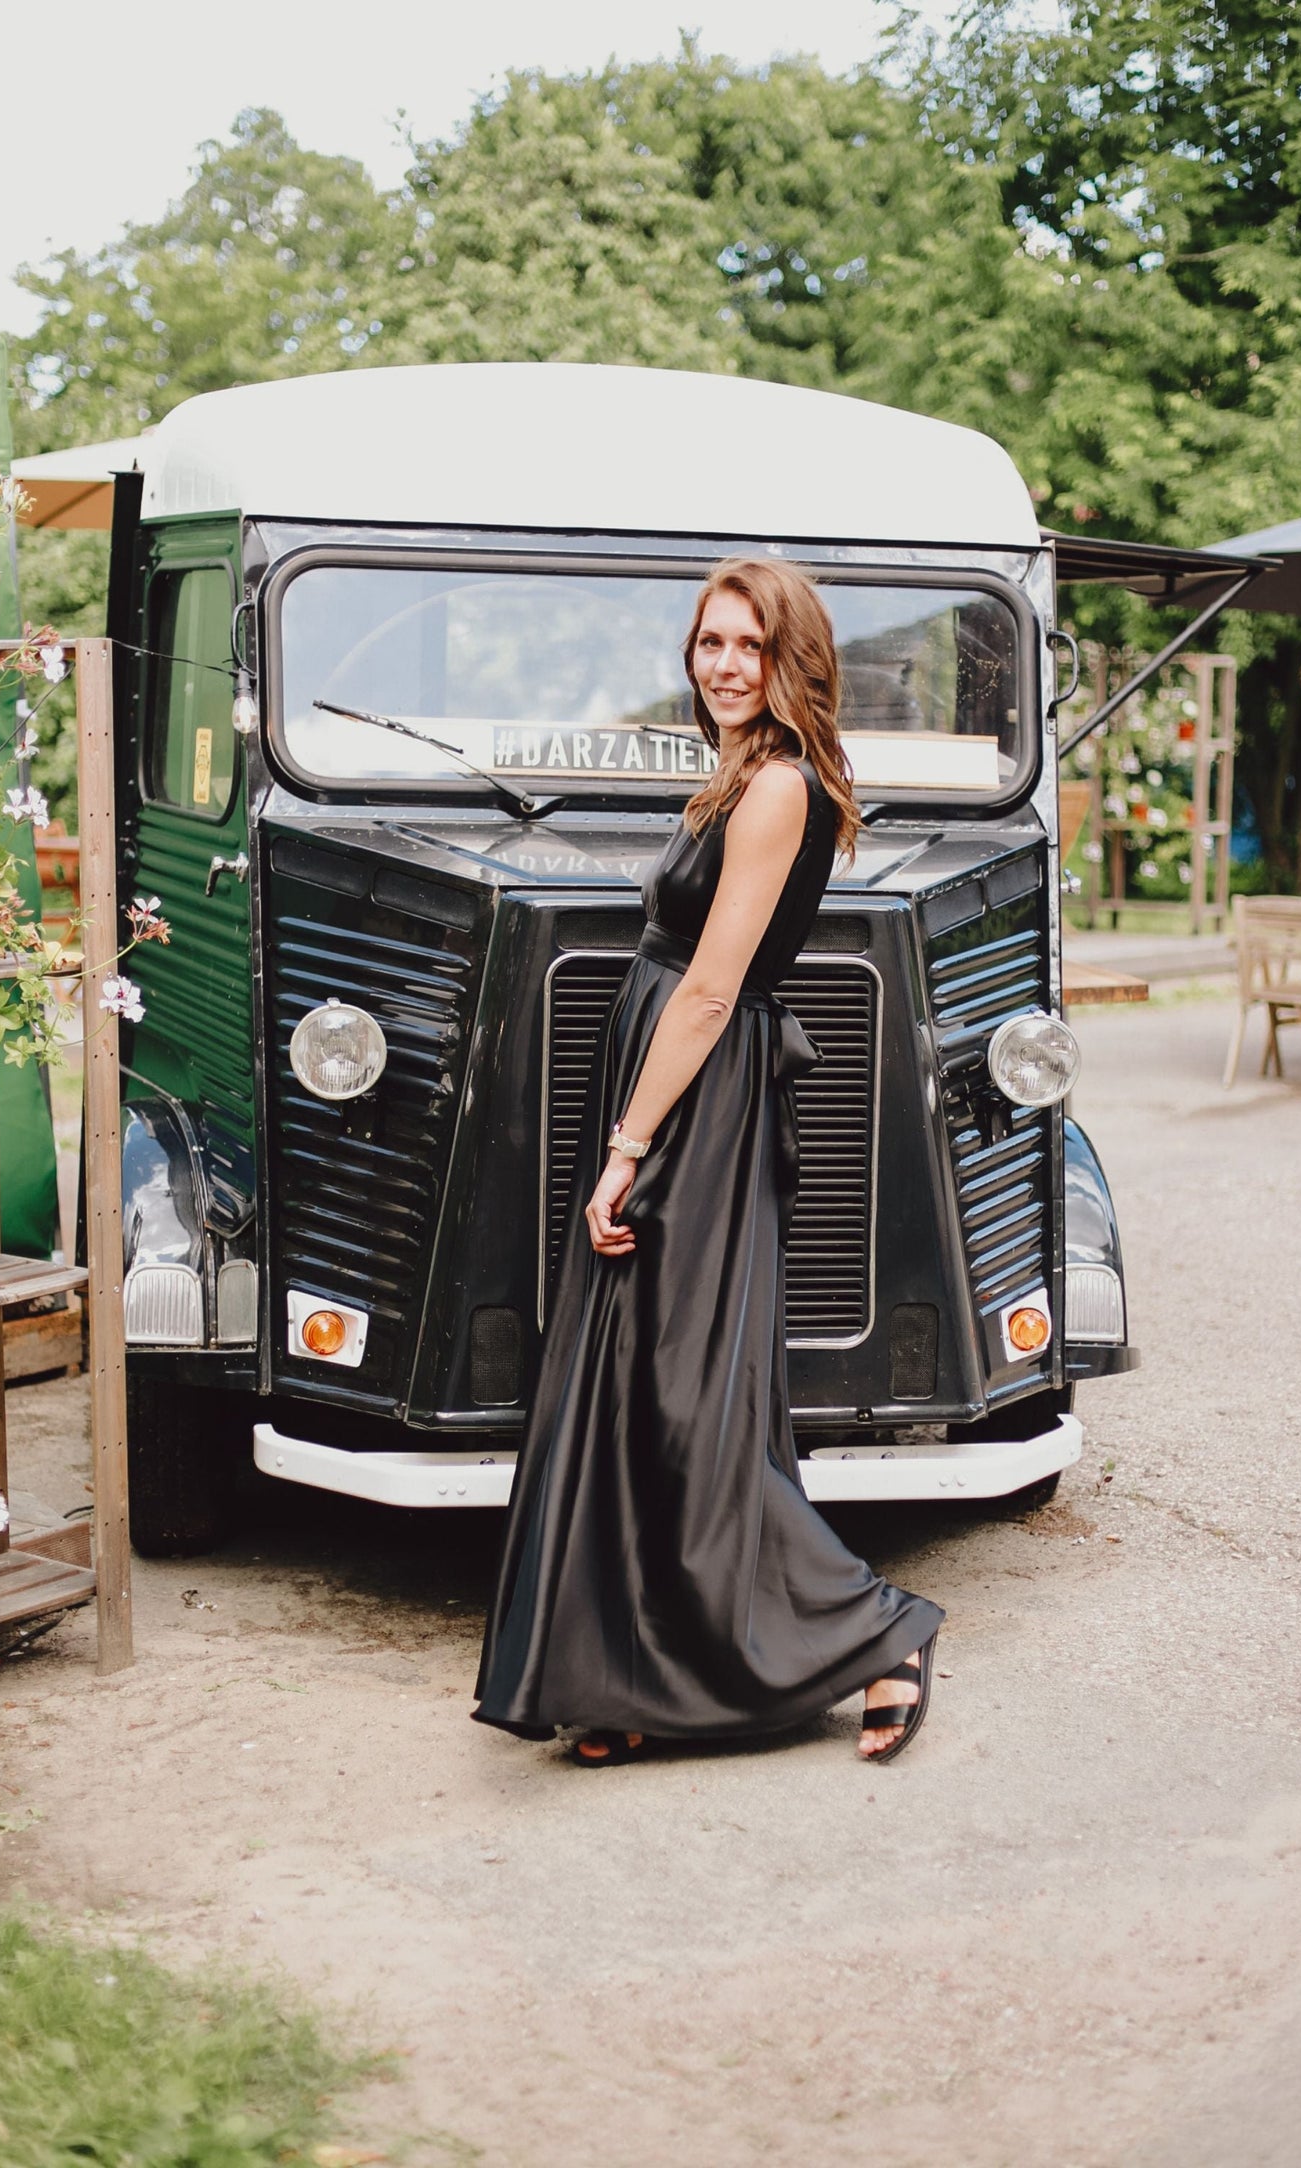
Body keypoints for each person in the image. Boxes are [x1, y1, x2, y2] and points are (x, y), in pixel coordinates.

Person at [472, 557, 943, 1767]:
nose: (723, 665)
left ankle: (876, 1631)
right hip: (677, 1085)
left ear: (792, 660)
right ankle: (641, 1681)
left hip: (698, 1100)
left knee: (684, 1403)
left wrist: (626, 1145)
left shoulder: (778, 785)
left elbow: (713, 987)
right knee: (637, 1387)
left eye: (747, 645)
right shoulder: (733, 773)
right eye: (707, 644)